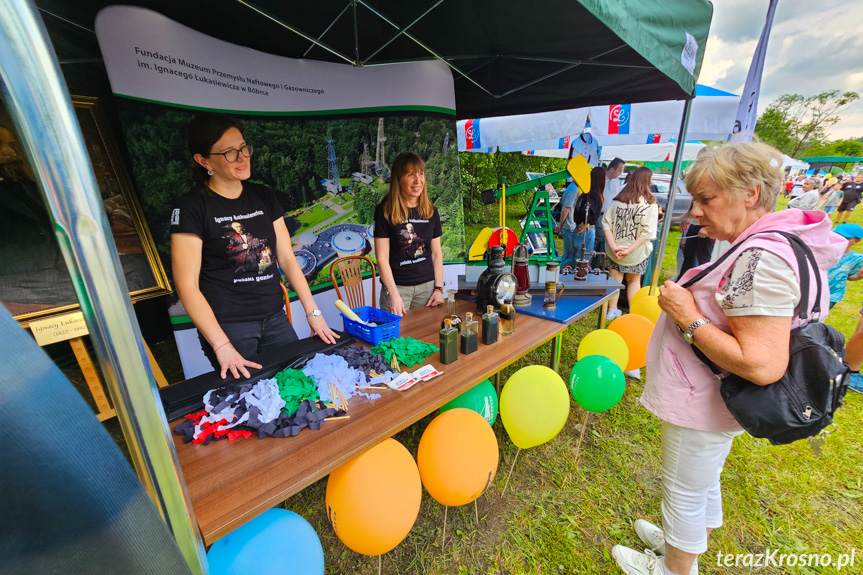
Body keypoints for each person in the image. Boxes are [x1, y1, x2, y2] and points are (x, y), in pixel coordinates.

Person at [611, 143, 844, 575]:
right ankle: (684, 543)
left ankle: (675, 567)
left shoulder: (761, 258)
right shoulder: (770, 242)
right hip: (714, 398)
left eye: (707, 199)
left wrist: (686, 315)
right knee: (700, 480)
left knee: (682, 487)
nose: (695, 211)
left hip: (702, 399)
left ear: (750, 194)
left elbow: (760, 363)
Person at [171, 113, 338, 380]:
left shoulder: (263, 196)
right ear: (203, 161)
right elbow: (186, 285)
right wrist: (221, 345)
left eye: (244, 148)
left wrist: (313, 312)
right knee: (254, 403)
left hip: (275, 318)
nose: (242, 157)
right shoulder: (192, 207)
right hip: (229, 328)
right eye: (229, 153)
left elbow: (286, 258)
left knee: (298, 384)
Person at [374, 152, 444, 316]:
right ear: (399, 179)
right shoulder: (385, 211)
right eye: (410, 174)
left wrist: (438, 288)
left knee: (425, 338)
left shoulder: (431, 211)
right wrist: (393, 293)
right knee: (395, 340)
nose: (418, 181)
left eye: (421, 174)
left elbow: (436, 253)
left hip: (427, 289)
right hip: (397, 289)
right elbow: (382, 257)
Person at [602, 166, 659, 321]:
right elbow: (648, 232)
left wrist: (614, 246)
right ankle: (633, 312)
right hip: (637, 252)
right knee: (634, 281)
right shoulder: (650, 204)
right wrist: (629, 250)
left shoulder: (617, 201)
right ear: (648, 181)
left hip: (614, 250)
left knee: (614, 280)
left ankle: (611, 311)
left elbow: (605, 223)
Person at [557, 168, 605, 271]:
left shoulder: (584, 193)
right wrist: (586, 222)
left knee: (573, 259)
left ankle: (556, 272)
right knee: (581, 264)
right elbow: (586, 210)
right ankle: (556, 272)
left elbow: (578, 210)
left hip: (577, 229)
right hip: (586, 232)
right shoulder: (595, 195)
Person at [593, 158, 625, 267]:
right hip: (600, 215)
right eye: (619, 170)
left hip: (611, 216)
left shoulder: (617, 181)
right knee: (598, 240)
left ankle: (600, 263)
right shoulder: (601, 180)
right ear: (612, 169)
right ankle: (593, 264)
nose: (620, 173)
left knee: (605, 240)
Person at [827, 223, 863, 311]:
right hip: (810, 291)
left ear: (856, 241)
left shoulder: (856, 258)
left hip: (832, 295)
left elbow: (849, 277)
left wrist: (859, 276)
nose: (838, 239)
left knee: (815, 320)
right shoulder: (823, 252)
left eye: (845, 237)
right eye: (835, 235)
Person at [554, 177, 580, 272]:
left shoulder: (572, 187)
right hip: (569, 226)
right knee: (572, 256)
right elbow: (566, 209)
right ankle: (554, 272)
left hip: (567, 226)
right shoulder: (573, 190)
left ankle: (557, 273)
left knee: (566, 255)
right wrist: (560, 226)